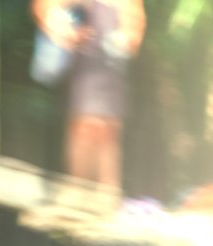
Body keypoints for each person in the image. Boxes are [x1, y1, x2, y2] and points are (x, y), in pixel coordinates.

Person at [32, 0, 146, 190]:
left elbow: (134, 30)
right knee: (83, 127)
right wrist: (63, 30)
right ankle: (78, 190)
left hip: (110, 68)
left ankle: (107, 193)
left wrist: (125, 39)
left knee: (108, 131)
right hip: (84, 65)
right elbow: (43, 8)